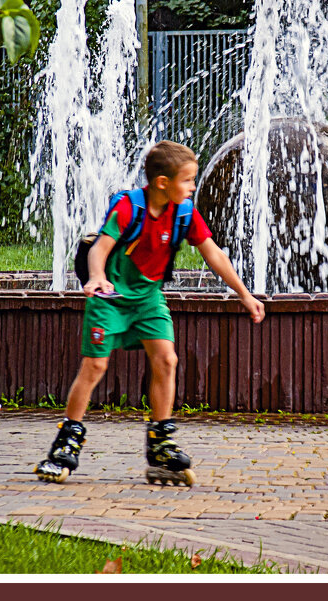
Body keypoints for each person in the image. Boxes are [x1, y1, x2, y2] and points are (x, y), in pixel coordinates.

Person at [35, 140, 265, 485]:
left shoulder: (184, 213)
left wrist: (244, 295)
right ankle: (65, 444)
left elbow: (214, 254)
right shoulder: (130, 208)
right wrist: (96, 277)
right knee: (95, 366)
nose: (192, 187)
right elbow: (100, 248)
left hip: (148, 299)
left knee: (167, 360)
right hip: (110, 296)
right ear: (162, 182)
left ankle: (160, 444)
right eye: (188, 180)